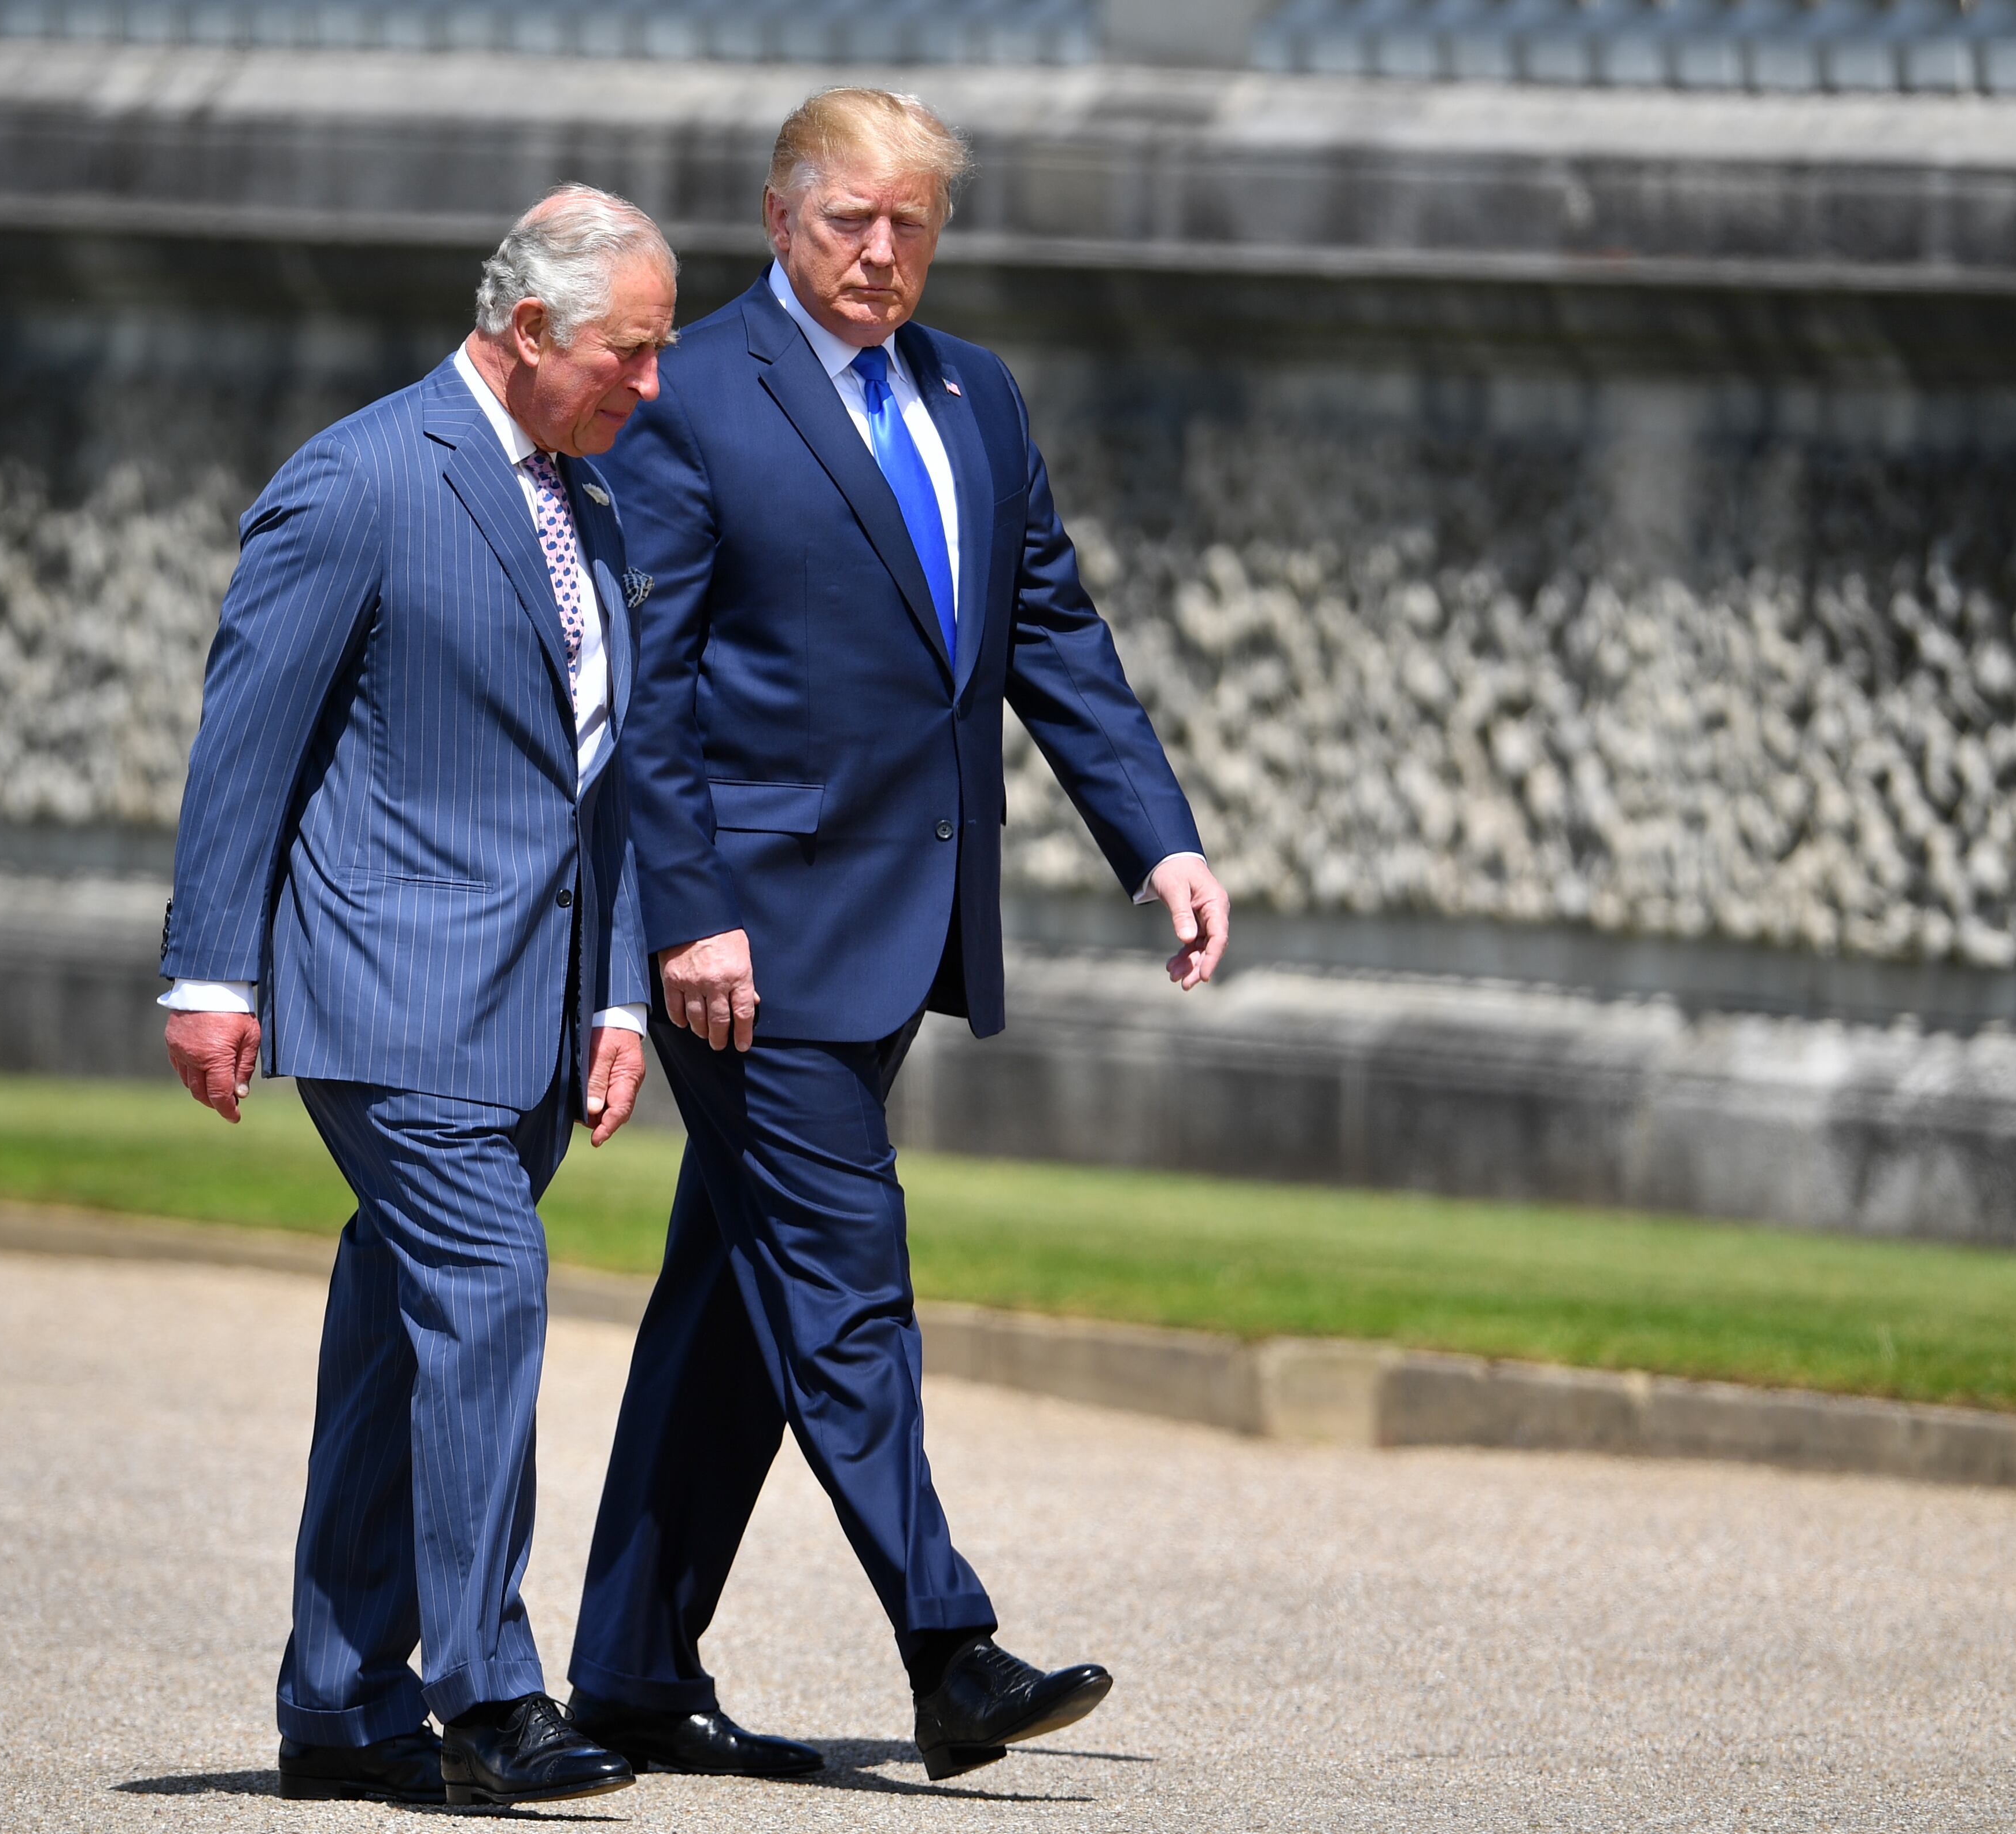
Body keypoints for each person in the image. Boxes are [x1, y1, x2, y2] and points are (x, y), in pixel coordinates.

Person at [565, 88, 1233, 1786]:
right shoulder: (694, 392)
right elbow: (649, 691)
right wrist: (688, 912)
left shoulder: (975, 394)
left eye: (912, 225)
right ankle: (951, 1648)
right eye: (852, 218)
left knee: (737, 1295)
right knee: (848, 1277)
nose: (882, 252)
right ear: (782, 213)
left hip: (905, 927)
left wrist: (1157, 841)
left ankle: (634, 1671)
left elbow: (1050, 631)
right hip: (751, 949)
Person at [156, 184, 673, 1809]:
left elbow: (605, 779)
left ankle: (335, 1698)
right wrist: (209, 969)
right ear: (530, 332)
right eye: (630, 353)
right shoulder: (362, 476)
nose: (650, 388)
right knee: (490, 1293)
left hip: (528, 1003)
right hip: (389, 992)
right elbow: (247, 742)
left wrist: (618, 998)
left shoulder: (586, 506)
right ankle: (488, 1692)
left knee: (401, 1335)